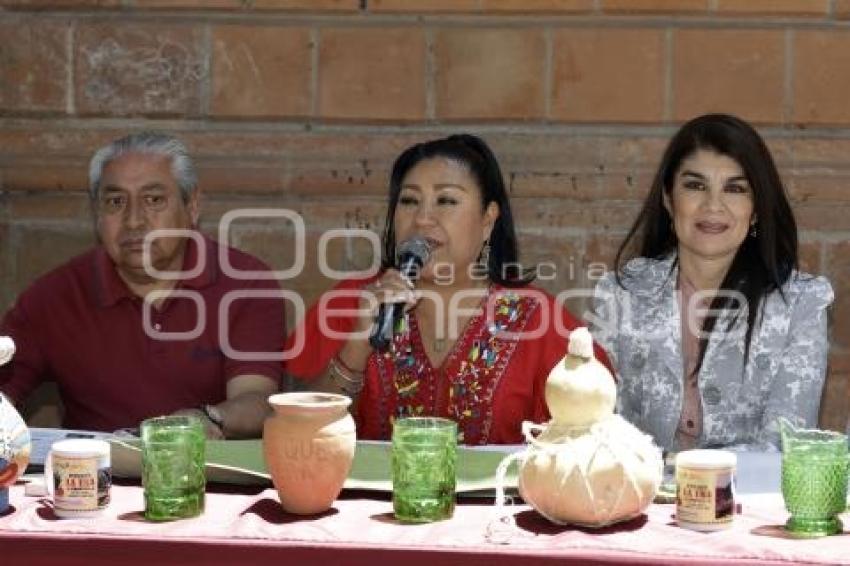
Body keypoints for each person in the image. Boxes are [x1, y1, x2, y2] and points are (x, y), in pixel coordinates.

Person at [285, 134, 609, 445]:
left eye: (446, 200)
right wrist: (357, 345)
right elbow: (297, 433)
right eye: (409, 201)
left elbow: (588, 440)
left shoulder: (539, 321)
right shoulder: (352, 301)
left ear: (488, 220)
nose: (423, 218)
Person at [0, 132, 285, 438]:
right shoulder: (56, 295)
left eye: (153, 200)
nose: (134, 221)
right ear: (97, 214)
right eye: (116, 202)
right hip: (96, 466)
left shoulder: (245, 282)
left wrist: (208, 419)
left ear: (192, 207)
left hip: (204, 464)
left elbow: (257, 400)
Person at [589, 113, 833, 452]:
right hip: (639, 485)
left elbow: (785, 444)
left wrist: (692, 473)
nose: (713, 206)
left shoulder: (802, 304)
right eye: (695, 186)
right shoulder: (620, 294)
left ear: (756, 209)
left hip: (752, 488)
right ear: (668, 199)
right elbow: (595, 428)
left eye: (735, 189)